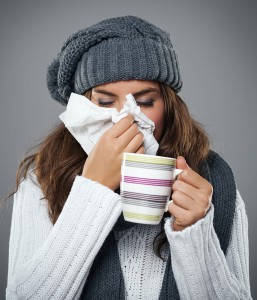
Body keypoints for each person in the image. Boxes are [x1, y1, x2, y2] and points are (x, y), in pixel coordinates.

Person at [5, 15, 252, 299]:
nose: (127, 118)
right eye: (106, 102)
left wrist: (194, 233)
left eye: (145, 102)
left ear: (168, 106)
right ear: (84, 107)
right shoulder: (43, 180)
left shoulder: (213, 186)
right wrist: (93, 189)